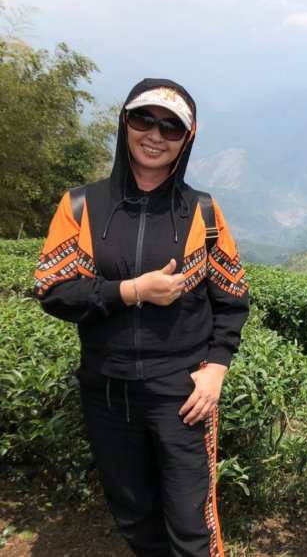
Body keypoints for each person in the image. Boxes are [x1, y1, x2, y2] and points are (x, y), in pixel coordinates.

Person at [33, 78, 249, 557]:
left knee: (193, 522)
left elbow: (232, 297)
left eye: (171, 127)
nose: (155, 134)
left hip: (180, 391)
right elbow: (53, 289)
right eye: (144, 119)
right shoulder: (81, 206)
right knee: (133, 514)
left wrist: (215, 370)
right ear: (124, 124)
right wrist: (131, 291)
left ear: (186, 141)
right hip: (106, 390)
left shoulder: (204, 214)